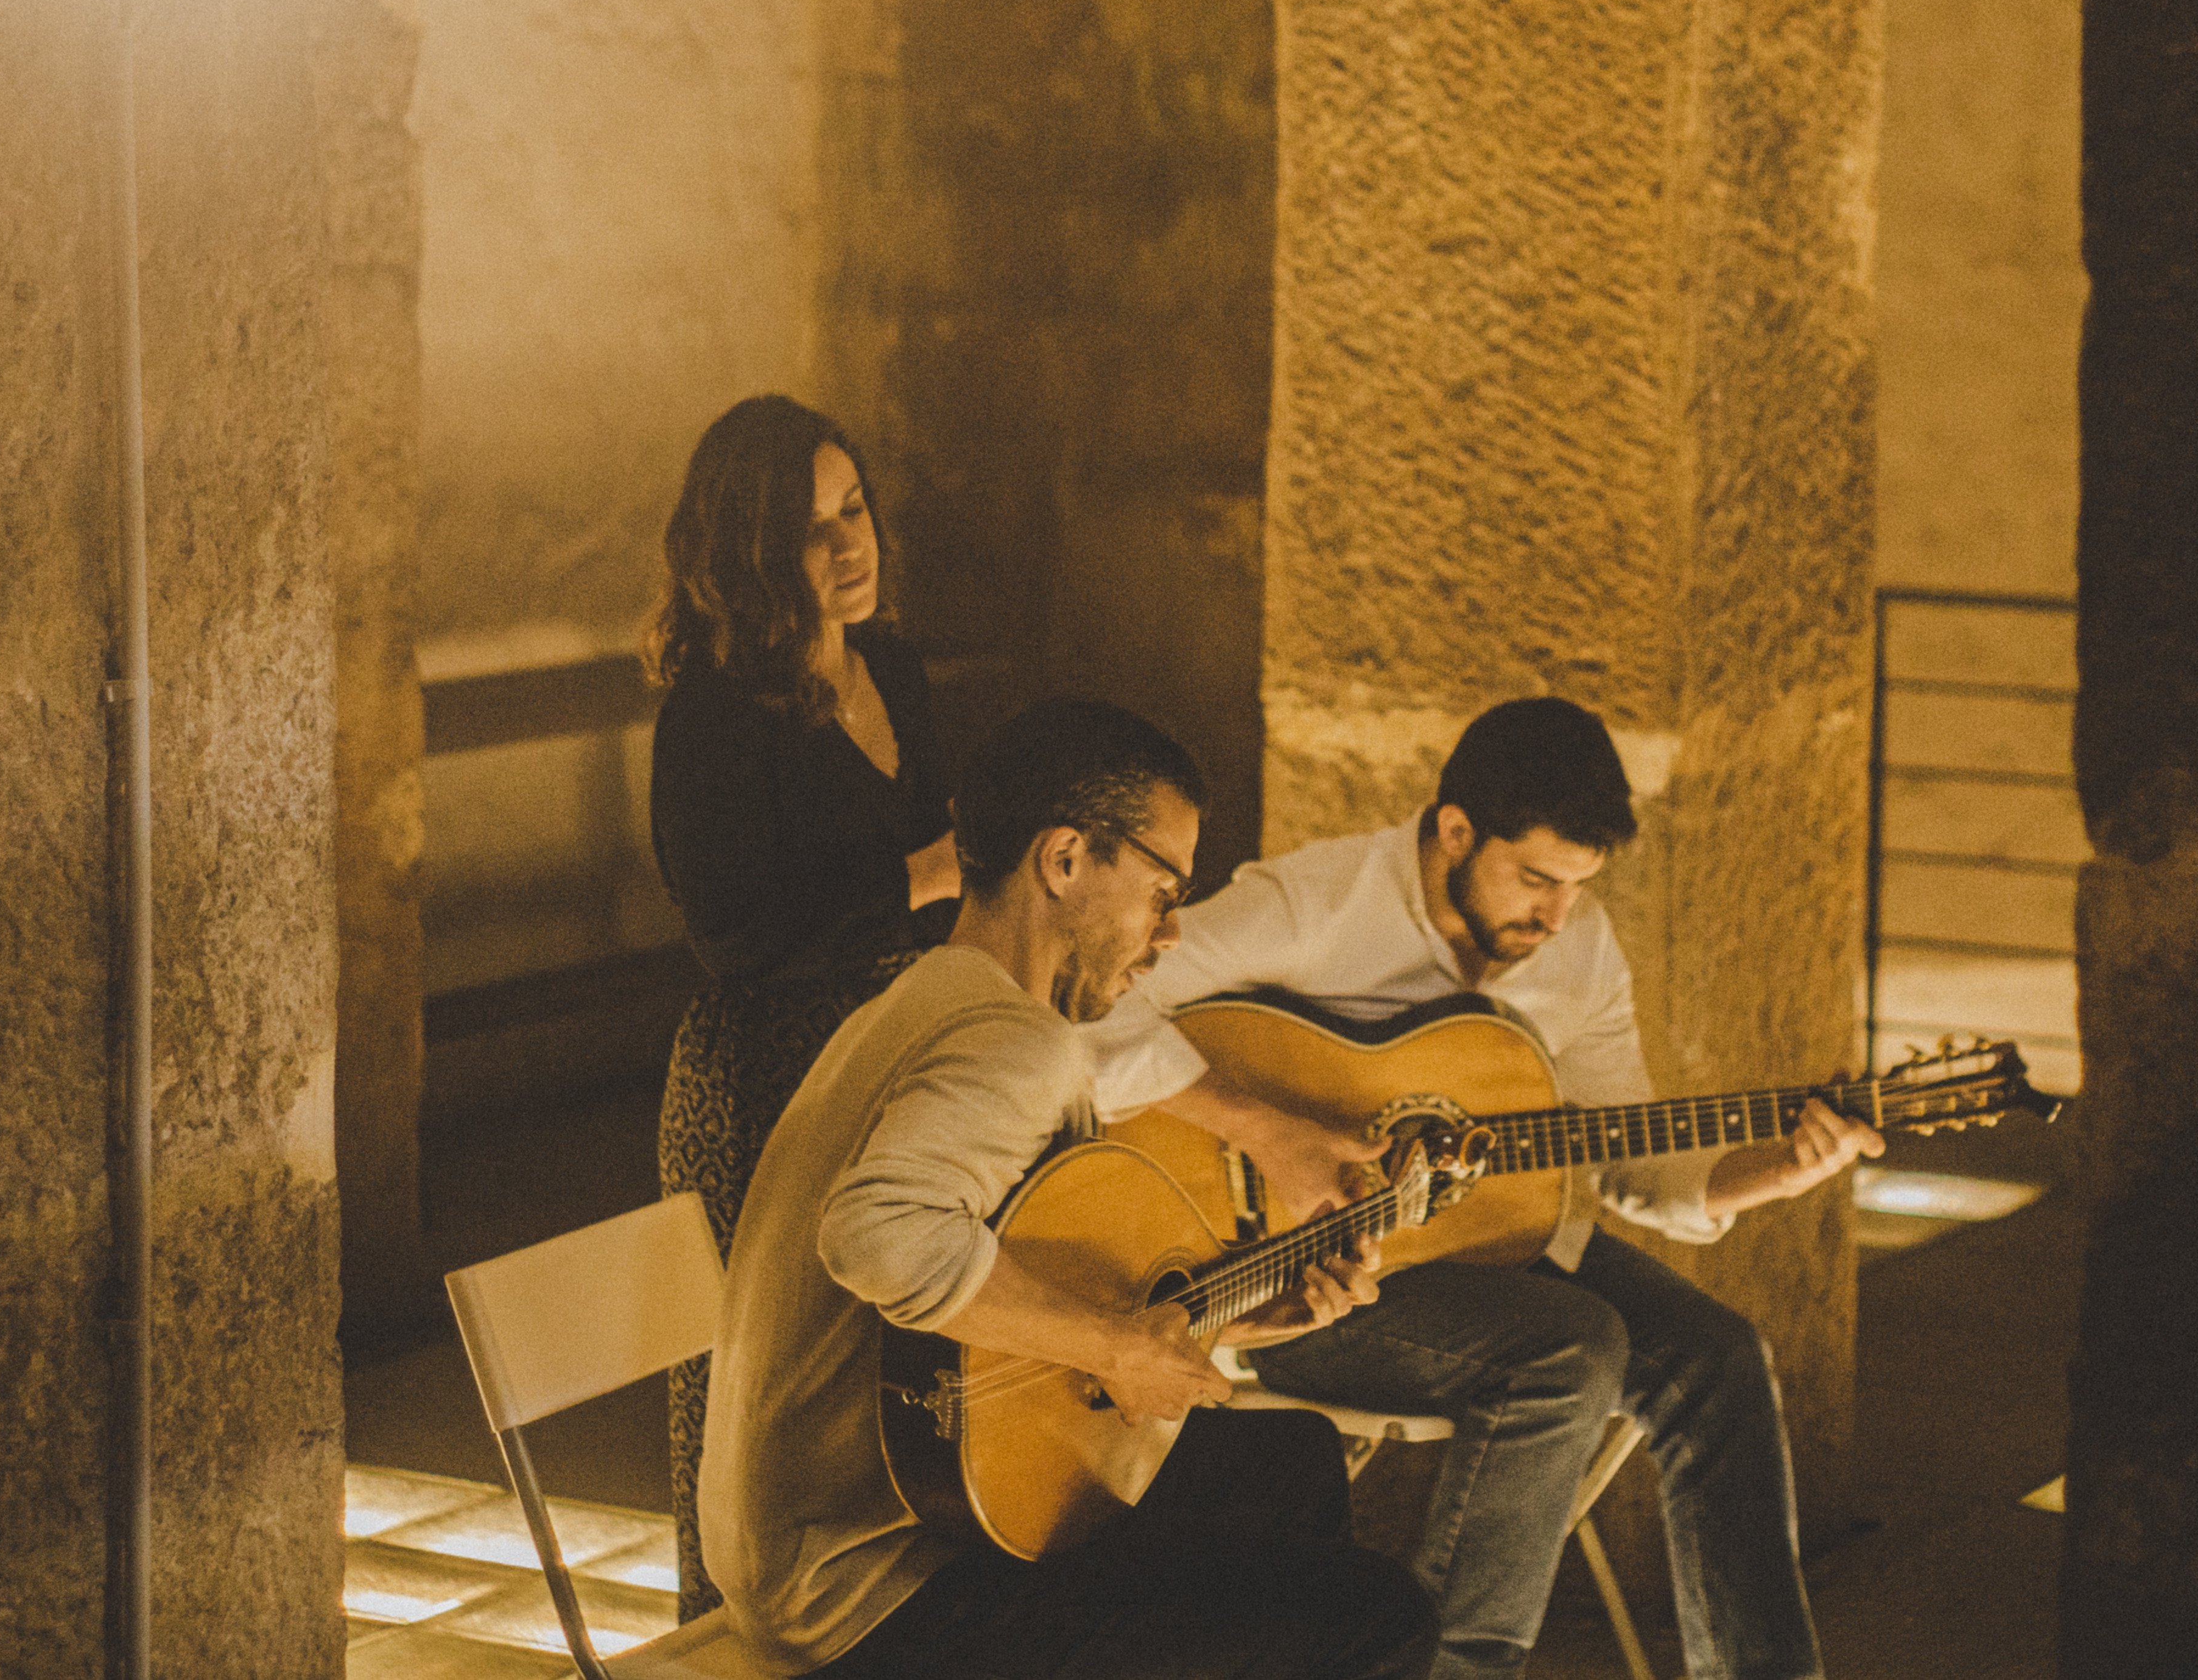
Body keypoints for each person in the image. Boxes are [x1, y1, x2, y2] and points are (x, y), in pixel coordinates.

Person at [1081, 697, 1879, 1680]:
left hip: (1488, 1250)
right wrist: (1266, 1131)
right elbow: (1092, 1011)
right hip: (1276, 1270)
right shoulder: (1318, 902)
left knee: (1717, 1356)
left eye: (1579, 888)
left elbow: (1626, 1157)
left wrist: (1780, 1169)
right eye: (1535, 879)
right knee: (1568, 1349)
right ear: (1454, 830)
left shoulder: (1576, 953)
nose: (1555, 916)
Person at [700, 697, 1441, 1680]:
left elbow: (1006, 1297)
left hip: (824, 1537)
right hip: (869, 1598)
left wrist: (1228, 1316)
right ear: (1063, 861)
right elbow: (877, 1236)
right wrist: (1118, 1346)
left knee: (1291, 1463)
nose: (1169, 934)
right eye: (1162, 892)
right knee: (1376, 1616)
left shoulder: (928, 995)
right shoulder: (1021, 1045)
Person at [642, 395, 963, 1610]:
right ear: (752, 554)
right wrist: (929, 873)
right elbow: (735, 935)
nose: (850, 545)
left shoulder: (893, 665)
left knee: (887, 1380)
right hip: (762, 1080)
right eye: (812, 529)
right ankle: (726, 1633)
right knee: (753, 1395)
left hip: (888, 1052)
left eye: (856, 507)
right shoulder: (714, 715)